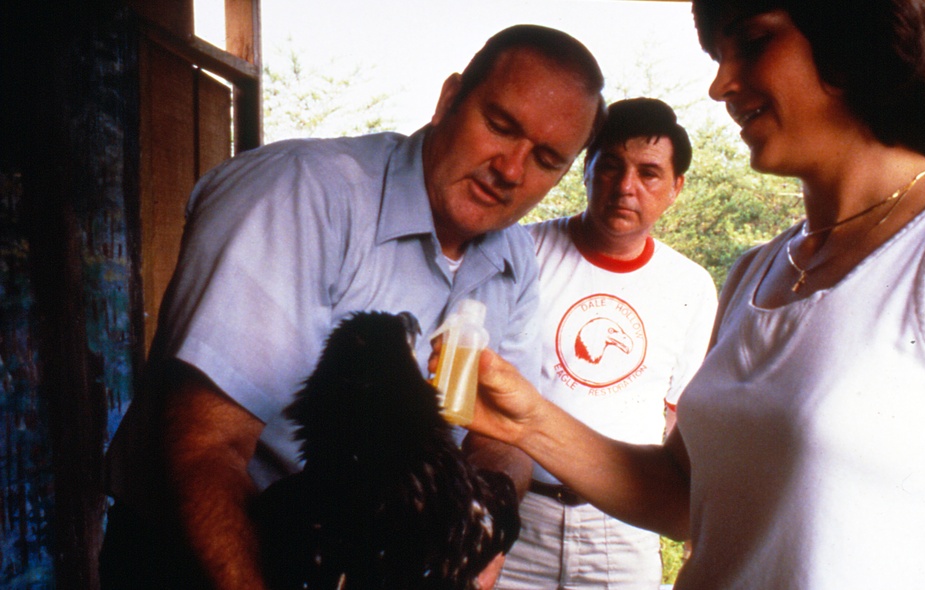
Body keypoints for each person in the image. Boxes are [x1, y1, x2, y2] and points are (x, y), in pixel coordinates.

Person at [465, 1, 925, 588]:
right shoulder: (756, 272)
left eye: (752, 41)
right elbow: (685, 495)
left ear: (857, 36)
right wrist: (525, 418)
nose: (721, 84)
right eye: (720, 56)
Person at [99, 24, 606, 590]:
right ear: (449, 100)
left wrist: (475, 533)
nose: (510, 169)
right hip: (207, 555)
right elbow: (205, 451)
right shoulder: (300, 196)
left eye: (545, 158)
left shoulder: (513, 253)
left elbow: (500, 442)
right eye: (500, 125)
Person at [494, 98, 716, 589]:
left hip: (624, 531)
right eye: (610, 165)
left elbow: (678, 417)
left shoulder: (691, 286)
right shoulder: (520, 253)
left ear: (676, 188)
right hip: (517, 516)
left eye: (649, 172)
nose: (625, 186)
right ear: (586, 170)